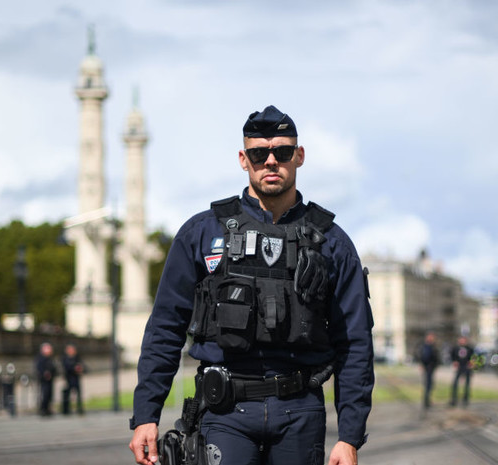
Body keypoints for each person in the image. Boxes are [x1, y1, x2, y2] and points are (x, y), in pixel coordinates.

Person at [129, 105, 375, 465]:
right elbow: (166, 326)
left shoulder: (332, 243)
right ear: (244, 160)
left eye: (283, 152)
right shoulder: (202, 233)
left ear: (299, 156)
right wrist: (146, 415)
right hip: (224, 412)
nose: (271, 161)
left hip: (300, 412)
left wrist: (350, 436)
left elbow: (355, 342)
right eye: (260, 153)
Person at [449, 335, 474, 407]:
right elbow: (452, 356)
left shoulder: (469, 348)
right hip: (459, 367)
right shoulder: (455, 348)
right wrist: (454, 361)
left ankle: (465, 399)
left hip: (466, 367)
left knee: (467, 384)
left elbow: (473, 357)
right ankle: (454, 399)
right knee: (455, 383)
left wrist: (471, 363)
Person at [61, 343, 86, 415]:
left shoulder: (77, 358)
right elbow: (66, 367)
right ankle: (66, 410)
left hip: (76, 378)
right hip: (68, 379)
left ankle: (80, 409)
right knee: (67, 395)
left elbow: (83, 366)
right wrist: (74, 368)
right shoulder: (65, 358)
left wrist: (81, 369)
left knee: (78, 394)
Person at [35, 342, 57, 417]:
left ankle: (48, 409)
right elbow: (39, 369)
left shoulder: (50, 358)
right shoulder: (40, 358)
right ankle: (43, 409)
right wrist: (44, 373)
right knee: (44, 394)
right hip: (43, 380)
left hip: (50, 380)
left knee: (49, 395)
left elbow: (54, 368)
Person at [418, 332, 439, 410]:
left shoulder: (434, 347)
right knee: (427, 384)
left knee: (430, 385)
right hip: (426, 367)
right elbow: (420, 355)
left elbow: (436, 357)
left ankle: (428, 400)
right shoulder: (424, 346)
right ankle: (426, 401)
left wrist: (436, 366)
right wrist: (421, 364)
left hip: (431, 367)